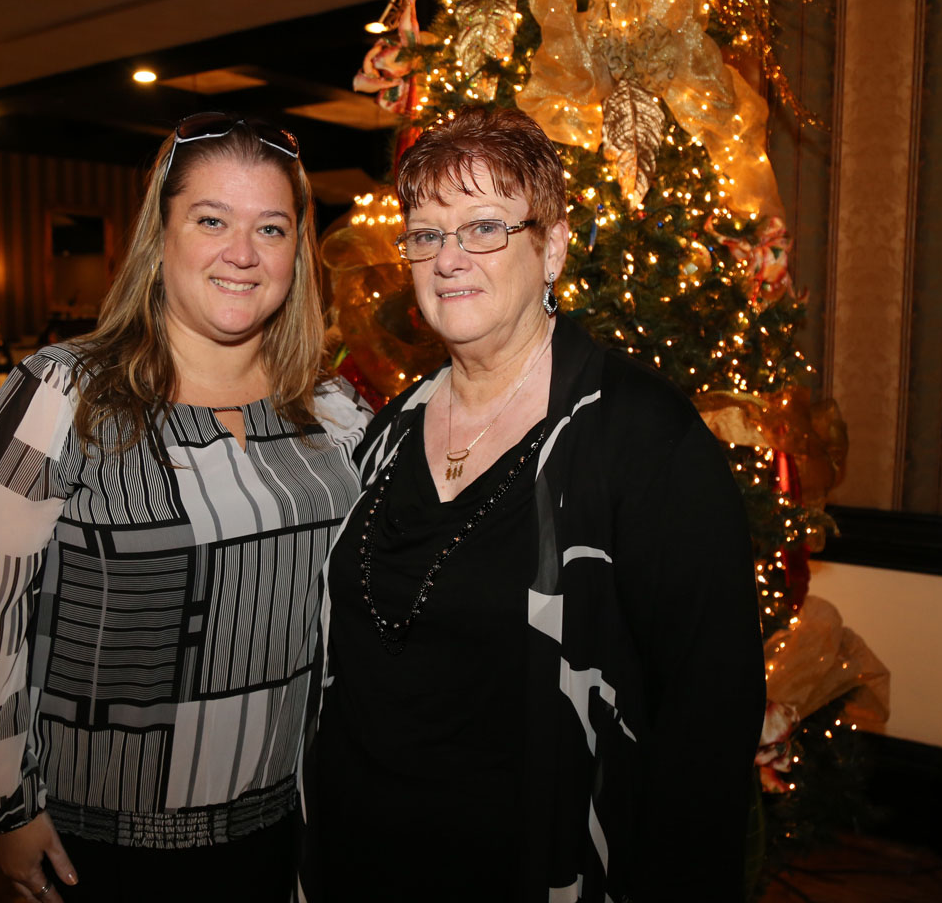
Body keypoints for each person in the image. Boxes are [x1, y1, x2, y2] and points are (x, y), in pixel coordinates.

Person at [300, 107, 766, 902]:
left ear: (550, 248)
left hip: (535, 870)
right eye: (426, 234)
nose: (449, 259)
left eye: (484, 228)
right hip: (358, 859)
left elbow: (707, 724)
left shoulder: (641, 437)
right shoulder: (389, 430)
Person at [0, 113, 371, 902]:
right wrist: (3, 806)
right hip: (105, 832)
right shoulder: (63, 395)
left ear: (297, 253)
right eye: (211, 220)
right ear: (159, 237)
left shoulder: (331, 406)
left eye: (271, 228)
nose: (242, 253)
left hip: (292, 813)